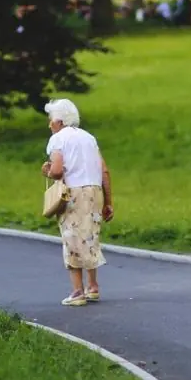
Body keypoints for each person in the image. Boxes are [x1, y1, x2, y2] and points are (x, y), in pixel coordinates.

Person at [42, 99, 114, 306]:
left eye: (51, 120)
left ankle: (77, 292)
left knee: (72, 238)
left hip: (74, 193)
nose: (49, 125)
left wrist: (46, 171)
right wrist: (108, 202)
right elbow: (105, 171)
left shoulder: (58, 140)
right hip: (95, 191)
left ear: (59, 121)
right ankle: (93, 287)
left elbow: (56, 171)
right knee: (90, 236)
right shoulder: (89, 138)